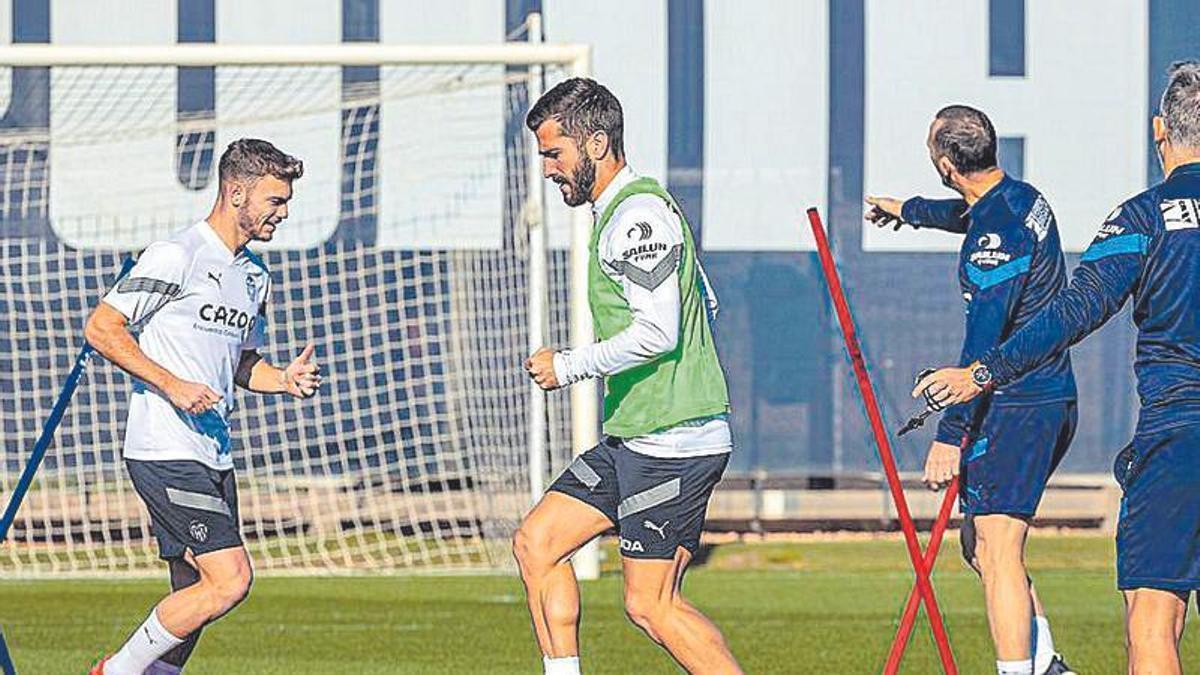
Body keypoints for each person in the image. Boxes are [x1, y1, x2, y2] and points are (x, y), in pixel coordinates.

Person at [915, 62, 1200, 675]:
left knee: (1154, 620)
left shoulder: (1142, 218)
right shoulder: (1021, 203)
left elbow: (1074, 309)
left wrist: (981, 373)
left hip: (1181, 436)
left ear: (1160, 131)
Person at [514, 77, 740, 674]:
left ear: (594, 144)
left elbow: (659, 333)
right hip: (637, 434)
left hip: (675, 441)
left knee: (651, 604)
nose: (548, 169)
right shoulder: (623, 210)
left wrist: (568, 365)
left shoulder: (637, 217)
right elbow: (705, 303)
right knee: (538, 543)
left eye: (554, 154)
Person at [87, 139, 320, 675]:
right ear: (235, 192)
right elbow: (103, 327)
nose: (282, 213)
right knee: (231, 579)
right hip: (164, 446)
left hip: (214, 451)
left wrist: (282, 379)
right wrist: (172, 384)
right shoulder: (177, 255)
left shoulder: (255, 276)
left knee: (193, 595)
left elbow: (243, 365)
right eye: (275, 201)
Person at [867, 106, 1076, 675]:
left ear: (945, 163)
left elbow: (984, 342)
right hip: (1043, 398)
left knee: (997, 546)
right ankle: (1047, 662)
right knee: (979, 547)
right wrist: (907, 212)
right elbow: (966, 213)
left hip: (1018, 403)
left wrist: (950, 435)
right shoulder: (1019, 197)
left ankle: (1021, 670)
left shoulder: (994, 240)